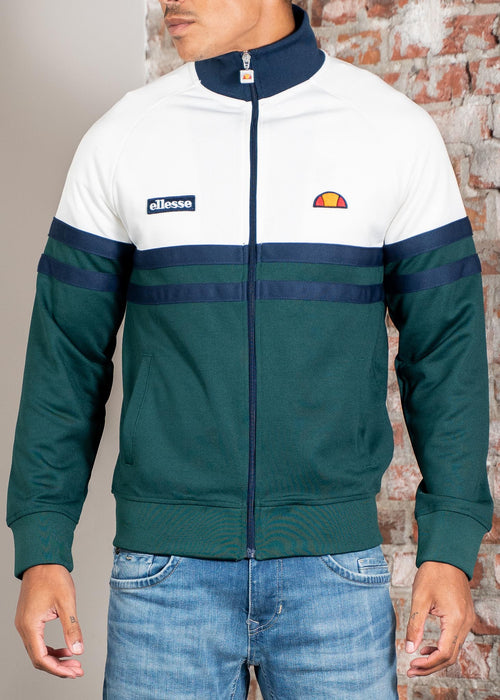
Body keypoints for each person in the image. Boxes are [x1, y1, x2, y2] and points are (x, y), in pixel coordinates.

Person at [7, 1, 493, 698]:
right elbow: (65, 358)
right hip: (163, 581)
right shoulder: (123, 137)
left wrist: (448, 546)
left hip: (334, 576)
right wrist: (42, 547)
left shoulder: (390, 131)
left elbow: (445, 354)